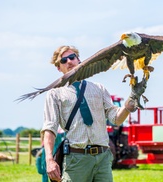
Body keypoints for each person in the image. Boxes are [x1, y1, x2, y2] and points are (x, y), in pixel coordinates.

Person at [41, 45, 146, 182]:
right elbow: (50, 128)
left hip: (103, 158)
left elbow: (116, 119)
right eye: (63, 60)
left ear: (79, 60)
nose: (69, 62)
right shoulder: (54, 93)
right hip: (76, 159)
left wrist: (130, 102)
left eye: (72, 57)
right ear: (58, 68)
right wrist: (49, 159)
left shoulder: (98, 88)